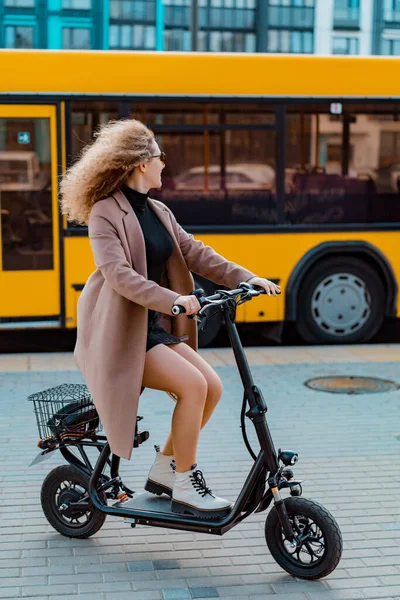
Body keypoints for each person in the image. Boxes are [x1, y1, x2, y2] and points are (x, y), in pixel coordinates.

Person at [60, 119, 280, 519]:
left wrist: (247, 278)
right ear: (142, 163)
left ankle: (164, 470)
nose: (165, 163)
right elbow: (118, 274)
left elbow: (196, 252)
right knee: (193, 386)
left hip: (152, 328)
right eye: (161, 156)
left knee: (212, 386)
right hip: (121, 333)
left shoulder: (159, 210)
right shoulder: (105, 213)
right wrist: (174, 300)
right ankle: (185, 482)